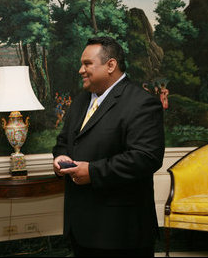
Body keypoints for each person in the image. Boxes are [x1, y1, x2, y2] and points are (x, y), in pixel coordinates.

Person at [52, 37, 165, 257]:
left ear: (111, 65)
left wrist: (92, 172)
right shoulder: (80, 101)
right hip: (81, 229)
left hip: (120, 233)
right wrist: (60, 158)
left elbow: (145, 157)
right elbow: (63, 141)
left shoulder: (141, 102)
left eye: (87, 64)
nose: (80, 70)